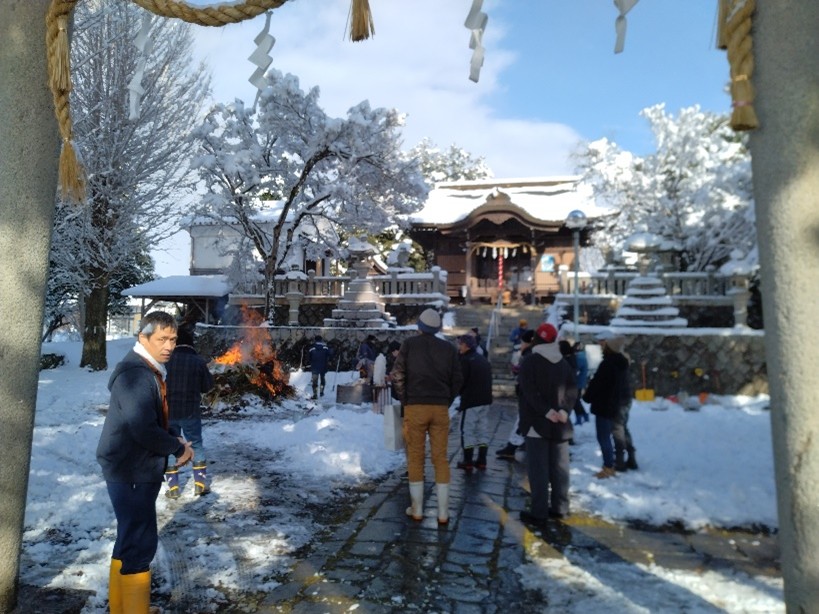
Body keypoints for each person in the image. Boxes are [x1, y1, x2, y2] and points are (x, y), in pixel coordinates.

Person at [96, 311, 194, 612]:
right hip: (133, 469)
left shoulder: (145, 369)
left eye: (173, 340)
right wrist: (178, 450)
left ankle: (121, 608)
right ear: (143, 338)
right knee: (140, 542)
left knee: (128, 538)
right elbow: (142, 428)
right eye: (162, 339)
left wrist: (173, 437)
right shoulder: (138, 374)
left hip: (130, 467)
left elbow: (150, 419)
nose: (169, 346)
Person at [391, 309, 463, 525]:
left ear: (420, 327)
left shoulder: (410, 345)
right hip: (440, 407)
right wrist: (447, 400)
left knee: (415, 456)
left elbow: (397, 375)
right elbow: (457, 379)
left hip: (416, 406)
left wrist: (405, 399)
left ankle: (417, 508)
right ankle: (443, 512)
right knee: (440, 458)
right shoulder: (448, 348)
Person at [517, 323, 577, 526]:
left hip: (536, 422)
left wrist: (546, 411)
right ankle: (561, 507)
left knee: (538, 469)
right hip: (560, 424)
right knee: (560, 468)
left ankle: (539, 511)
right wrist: (564, 411)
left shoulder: (530, 361)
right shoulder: (563, 362)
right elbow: (572, 390)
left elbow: (528, 391)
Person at [164, 326, 215, 499]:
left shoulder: (166, 361)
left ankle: (173, 489)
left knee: (170, 447)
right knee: (196, 445)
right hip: (190, 412)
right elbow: (207, 386)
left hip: (168, 412)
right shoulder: (198, 362)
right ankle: (200, 486)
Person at [583, 331, 637, 478]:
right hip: (623, 400)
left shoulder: (608, 364)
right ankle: (630, 457)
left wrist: (587, 396)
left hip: (608, 404)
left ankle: (614, 463)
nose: (601, 346)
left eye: (603, 343)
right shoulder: (622, 362)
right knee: (622, 430)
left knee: (611, 433)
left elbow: (598, 385)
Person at [455, 334, 493, 471]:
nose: (459, 346)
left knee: (467, 430)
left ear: (466, 345)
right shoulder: (482, 359)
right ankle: (482, 459)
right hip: (485, 400)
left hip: (471, 401)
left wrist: (456, 393)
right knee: (482, 429)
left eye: (460, 344)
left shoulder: (466, 360)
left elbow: (461, 380)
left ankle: (468, 460)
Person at [496, 329, 535, 459]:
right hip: (528, 395)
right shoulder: (529, 355)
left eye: (523, 342)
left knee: (522, 422)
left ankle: (512, 447)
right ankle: (517, 444)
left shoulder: (529, 356)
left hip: (528, 397)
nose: (521, 345)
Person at [307, 335, 333, 400]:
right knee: (322, 379)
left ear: (315, 340)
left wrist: (311, 362)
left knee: (315, 381)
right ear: (321, 340)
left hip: (315, 366)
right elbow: (330, 354)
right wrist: (329, 361)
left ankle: (315, 394)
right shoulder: (325, 347)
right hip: (323, 366)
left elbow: (309, 357)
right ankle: (321, 391)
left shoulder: (312, 347)